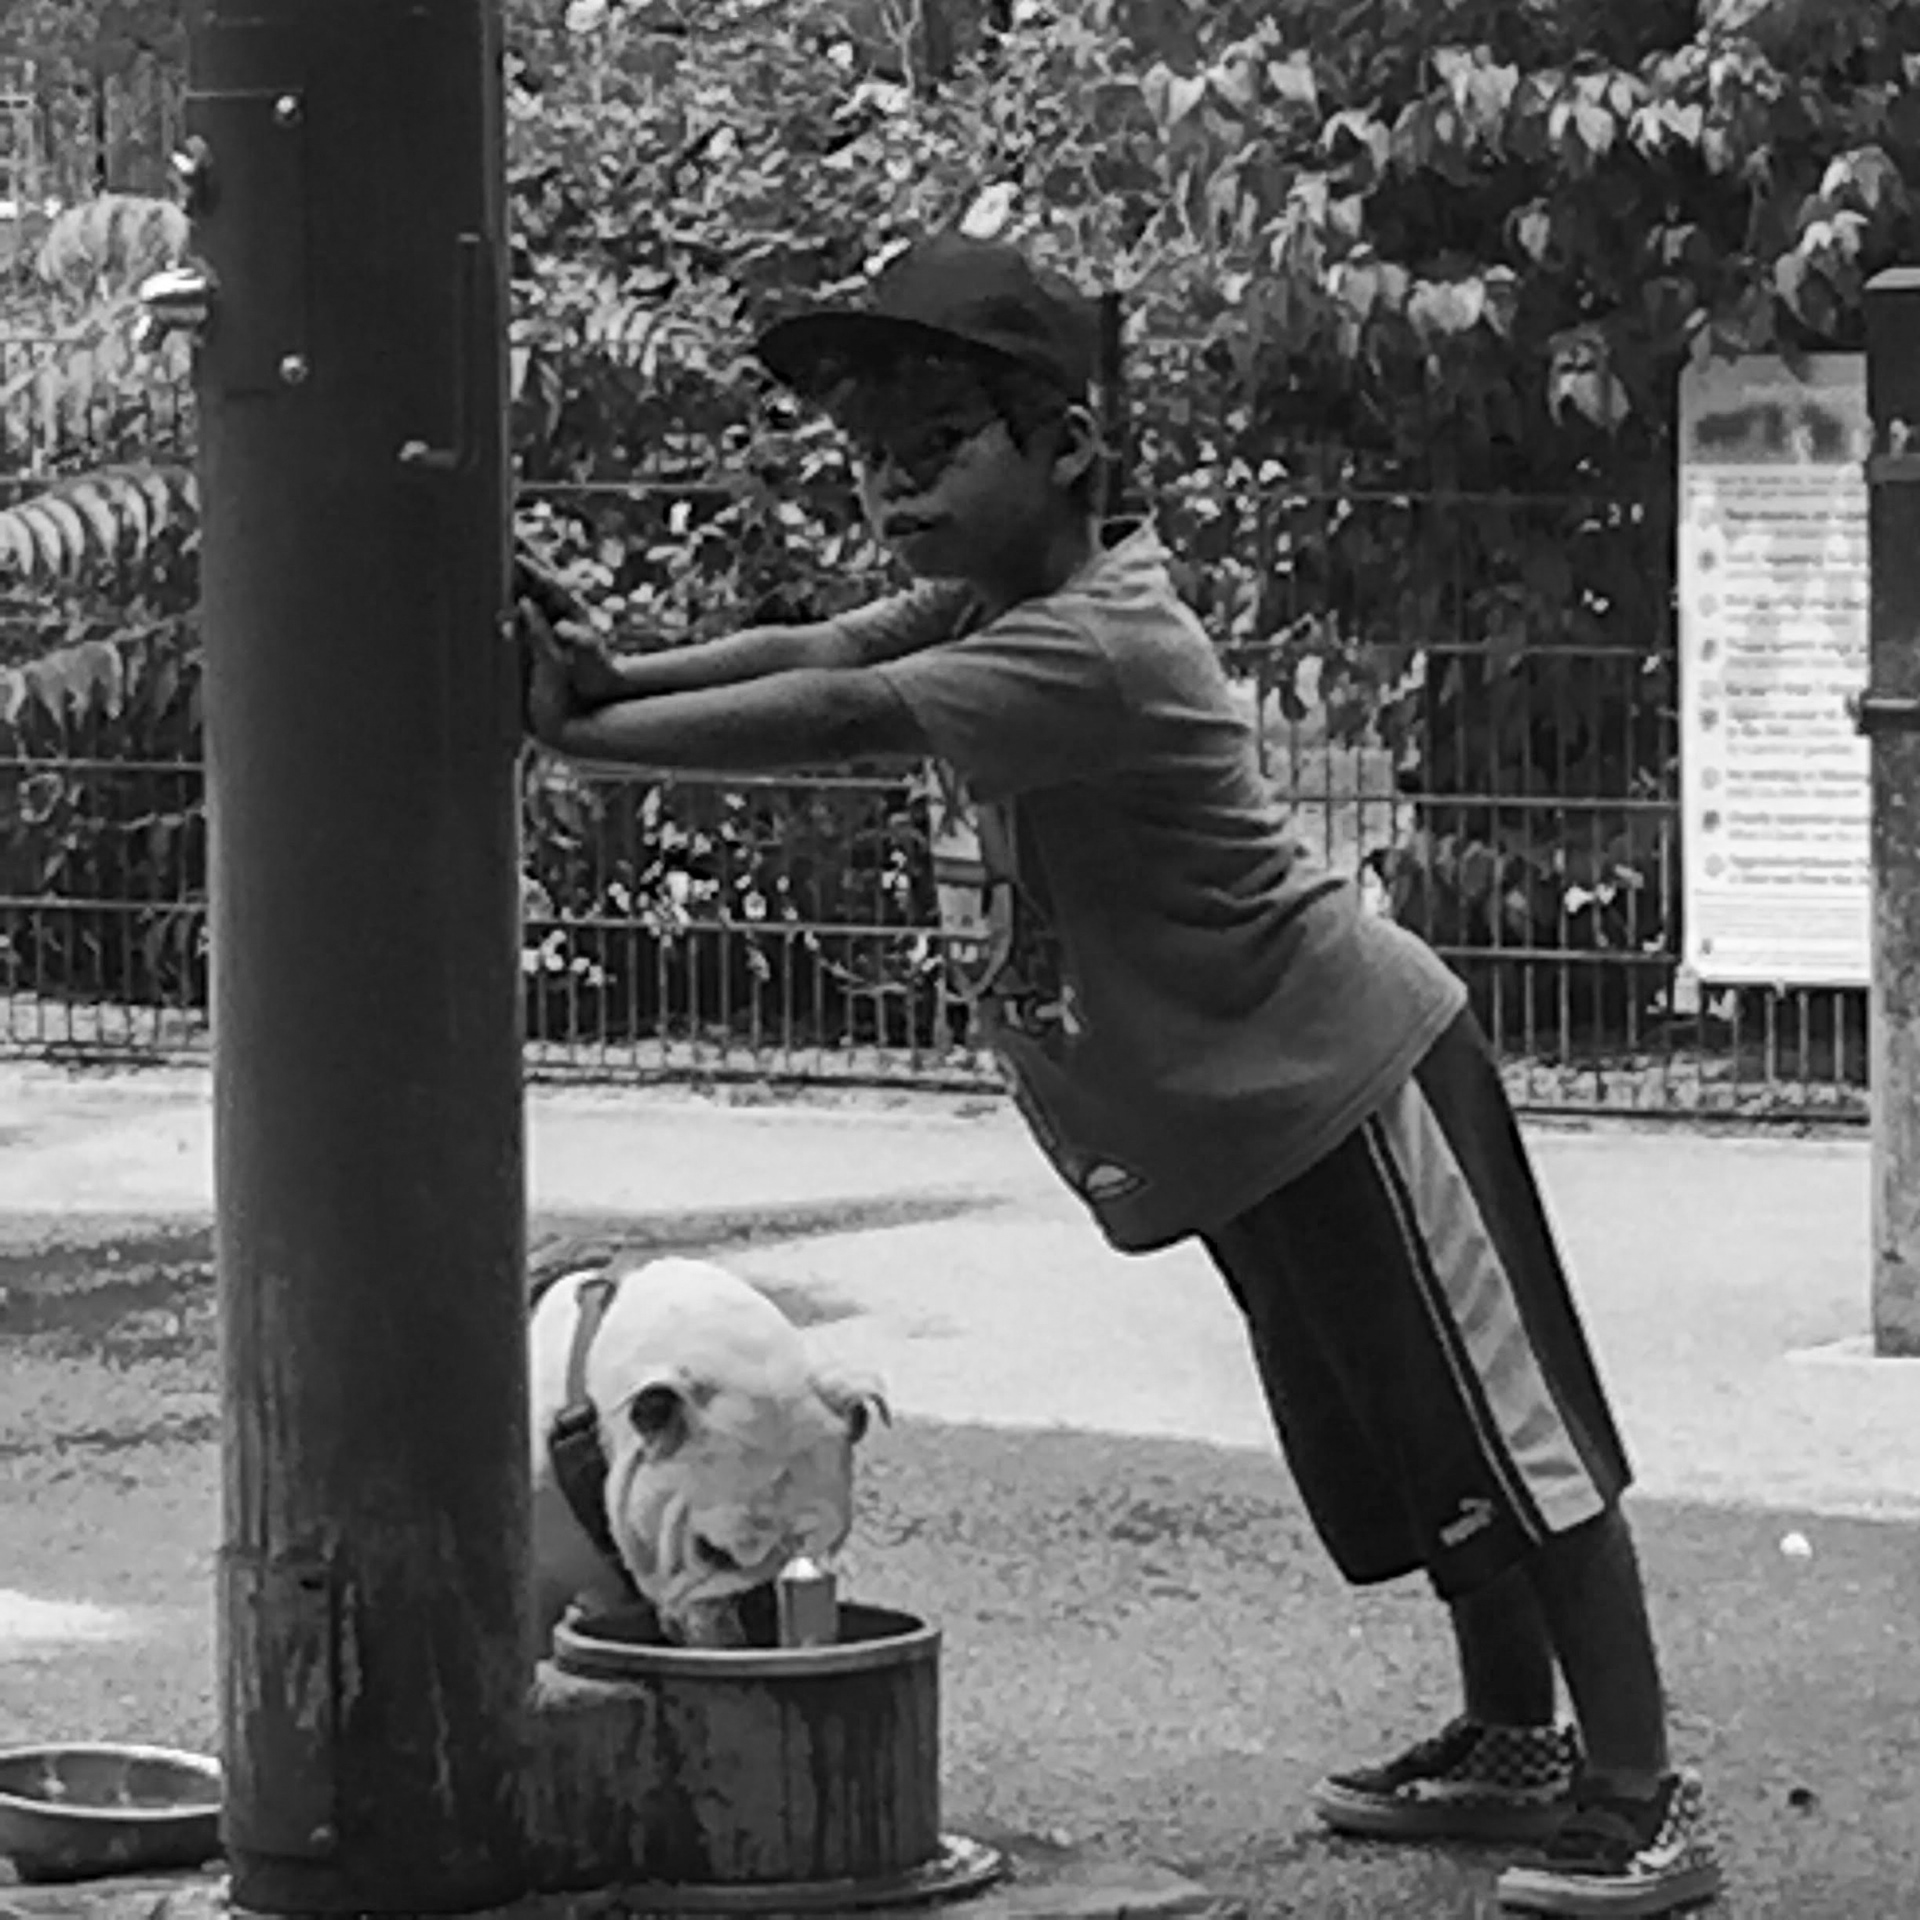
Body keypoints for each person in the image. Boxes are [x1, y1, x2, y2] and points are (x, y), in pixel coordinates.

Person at [516, 231, 1723, 1917]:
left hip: (1352, 1077)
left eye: (933, 448)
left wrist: (577, 732)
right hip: (1247, 1117)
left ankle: (1643, 1788)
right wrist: (614, 675)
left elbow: (845, 717)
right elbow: (815, 650)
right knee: (1399, 1435)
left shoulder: (1094, 643)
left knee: (1518, 1442)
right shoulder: (995, 594)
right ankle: (1514, 1736)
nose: (889, 491)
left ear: (1065, 449)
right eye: (869, 458)